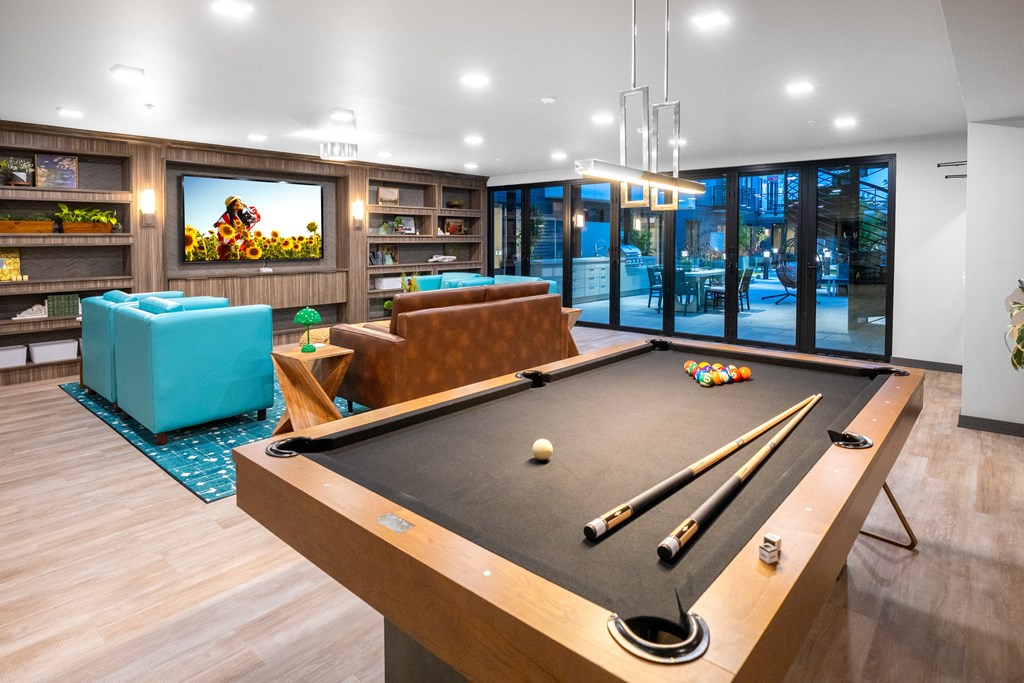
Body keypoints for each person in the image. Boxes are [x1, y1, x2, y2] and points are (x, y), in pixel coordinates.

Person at [214, 195, 260, 260]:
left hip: (240, 244)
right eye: (239, 201)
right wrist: (238, 230)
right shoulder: (226, 217)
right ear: (234, 206)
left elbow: (256, 216)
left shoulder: (241, 217)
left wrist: (246, 206)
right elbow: (222, 233)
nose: (241, 203)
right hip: (231, 246)